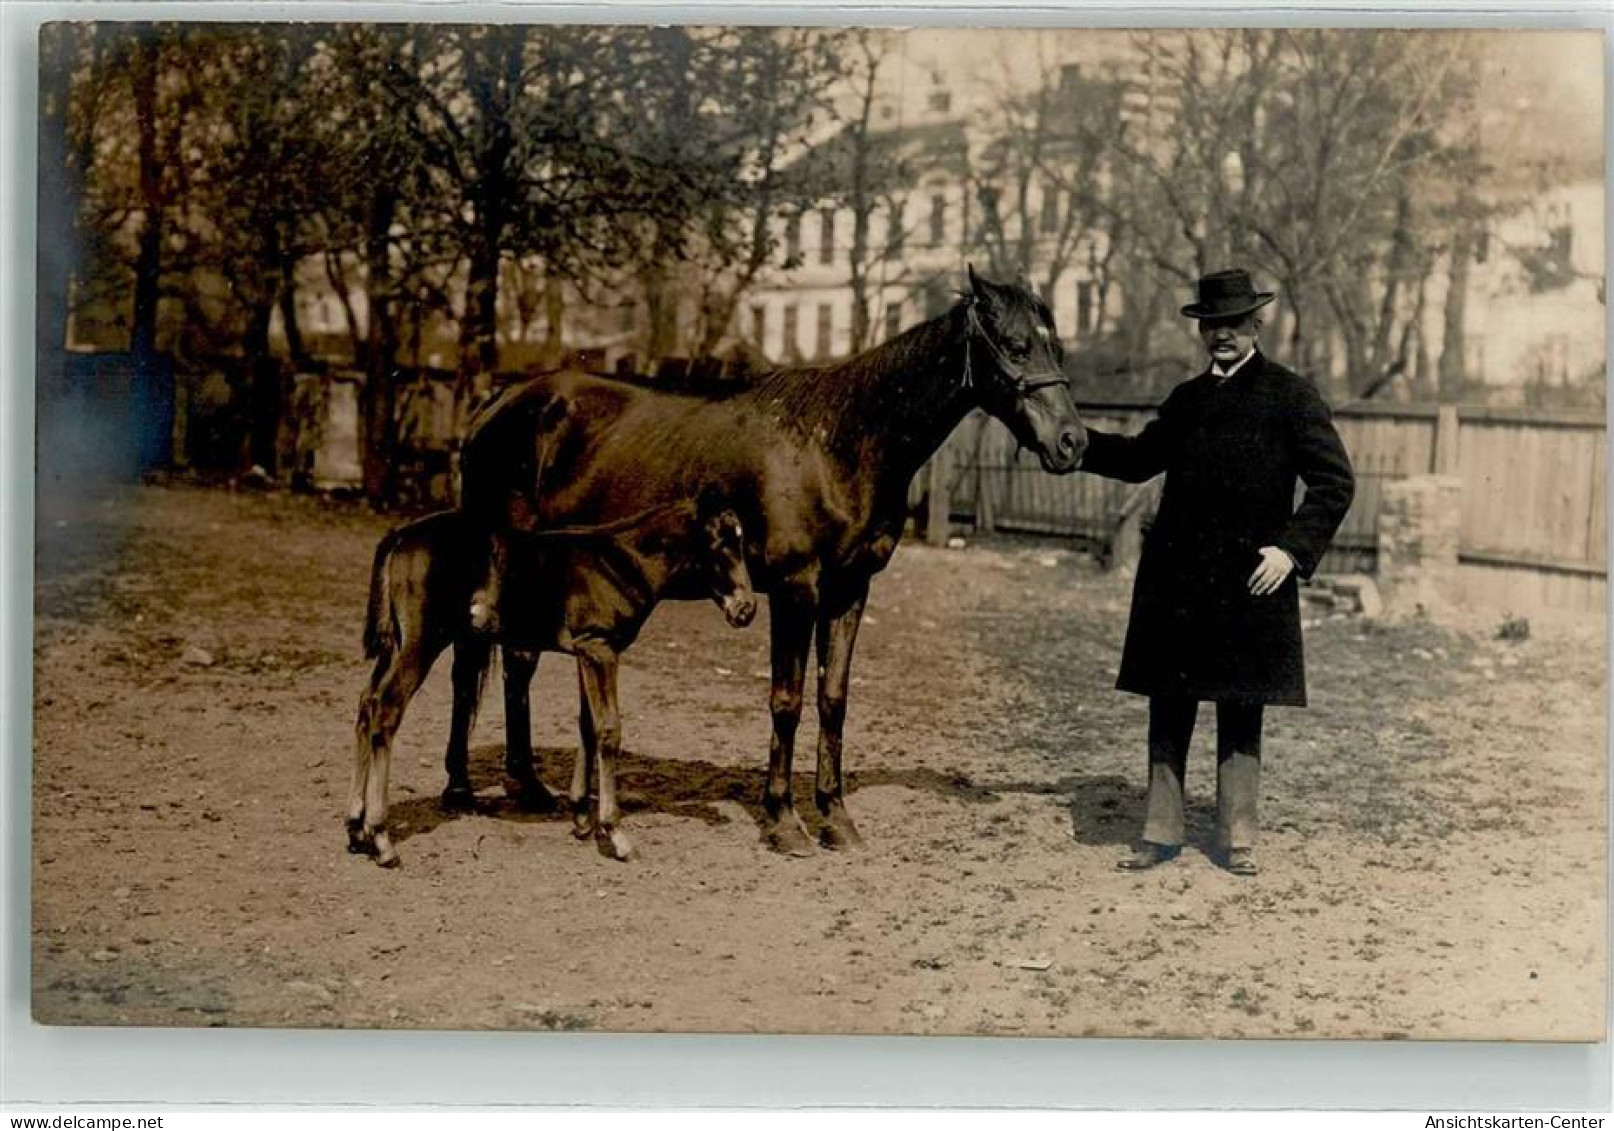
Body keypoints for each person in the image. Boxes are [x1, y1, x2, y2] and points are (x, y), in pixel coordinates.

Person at [1079, 268, 1355, 876]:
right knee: (1169, 702)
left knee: (1240, 704)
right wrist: (1079, 443)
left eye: (1233, 323)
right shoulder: (1186, 399)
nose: (1221, 335)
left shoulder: (1291, 395)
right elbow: (1138, 460)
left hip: (1250, 581)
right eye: (1211, 324)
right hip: (1177, 582)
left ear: (1257, 323)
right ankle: (1160, 830)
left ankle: (1238, 838)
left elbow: (1335, 484)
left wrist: (1289, 551)